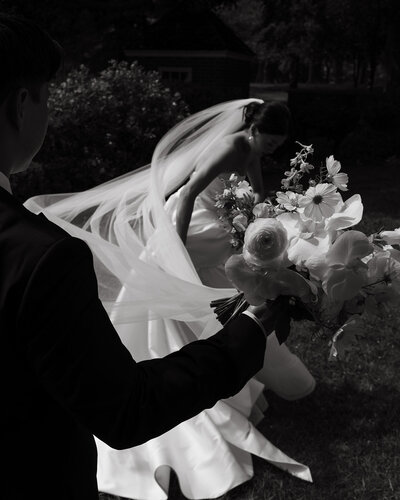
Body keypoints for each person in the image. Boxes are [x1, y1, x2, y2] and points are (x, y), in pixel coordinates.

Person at [0, 14, 299, 500]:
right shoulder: (42, 259)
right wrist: (248, 333)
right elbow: (125, 409)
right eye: (48, 98)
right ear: (20, 105)